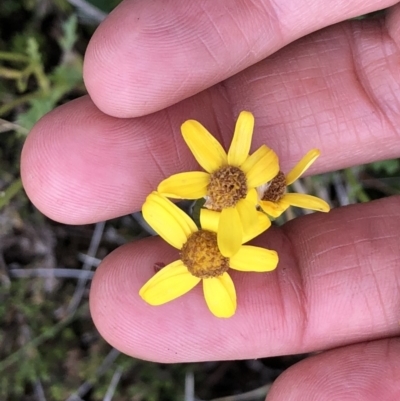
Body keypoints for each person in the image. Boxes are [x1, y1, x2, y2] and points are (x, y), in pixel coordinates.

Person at [21, 1, 400, 399]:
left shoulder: (225, 213)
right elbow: (202, 215)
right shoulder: (216, 220)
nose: (206, 257)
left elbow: (225, 216)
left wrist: (252, 204)